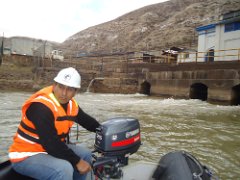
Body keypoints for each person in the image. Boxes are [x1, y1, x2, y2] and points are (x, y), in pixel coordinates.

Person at [8, 67, 100, 180]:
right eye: (61, 87)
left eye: (70, 89)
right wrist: (77, 161)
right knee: (63, 169)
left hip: (46, 150)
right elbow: (51, 144)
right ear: (54, 85)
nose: (64, 93)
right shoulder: (41, 107)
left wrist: (102, 129)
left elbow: (86, 121)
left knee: (85, 154)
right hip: (25, 155)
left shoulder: (71, 105)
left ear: (75, 92)